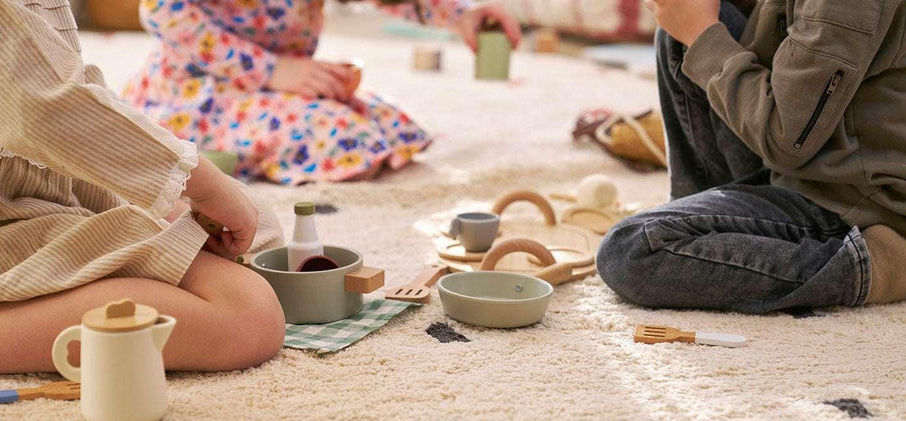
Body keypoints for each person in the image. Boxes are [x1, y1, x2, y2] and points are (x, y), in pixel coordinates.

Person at [0, 0, 287, 377]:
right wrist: (194, 177)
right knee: (248, 316)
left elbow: (62, 76)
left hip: (41, 179)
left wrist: (178, 187)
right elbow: (36, 104)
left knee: (258, 228)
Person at [597, 0, 906, 313]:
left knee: (634, 248)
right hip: (809, 156)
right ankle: (700, 229)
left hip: (852, 200)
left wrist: (700, 33)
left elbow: (785, 140)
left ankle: (879, 265)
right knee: (681, 29)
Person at [121, 0, 521, 184]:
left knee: (397, 131)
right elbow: (161, 10)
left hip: (284, 88)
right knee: (347, 139)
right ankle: (228, 154)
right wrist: (272, 70)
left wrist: (463, 15)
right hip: (196, 93)